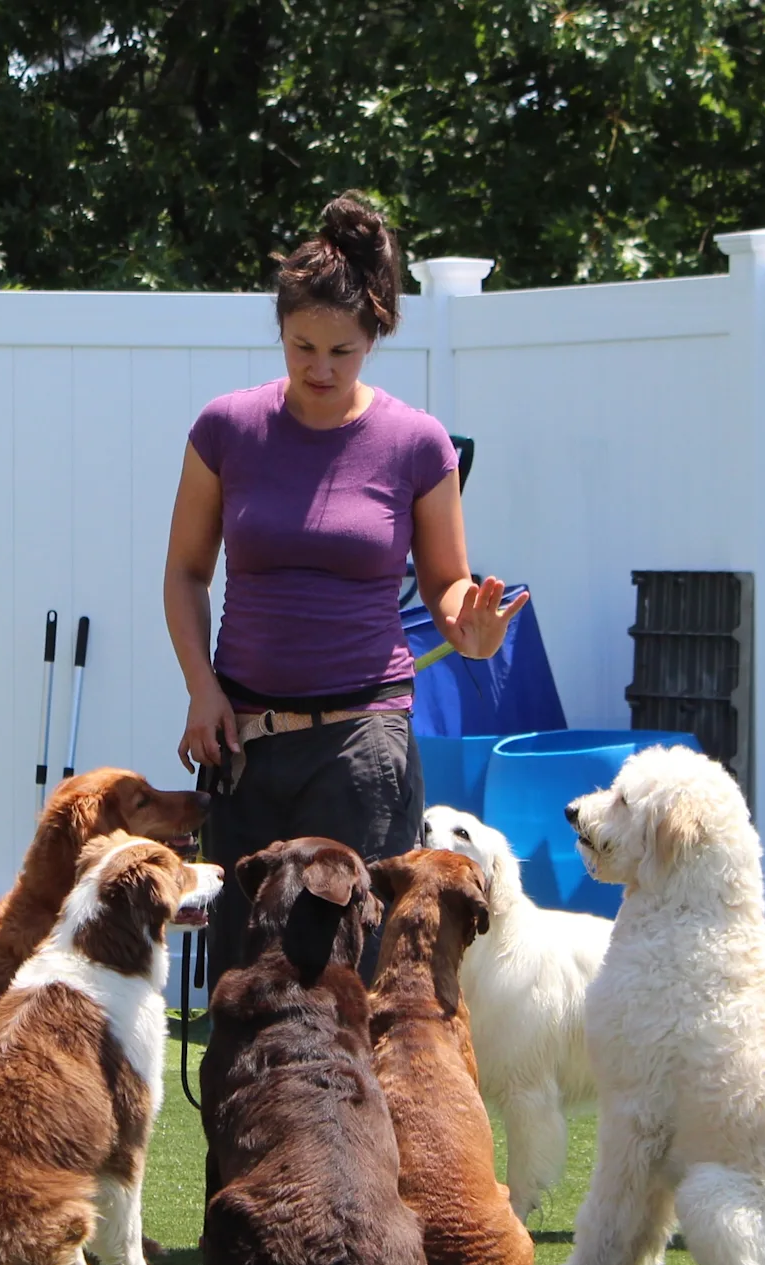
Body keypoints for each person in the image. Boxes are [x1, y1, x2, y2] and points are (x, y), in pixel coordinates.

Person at [163, 191, 528, 990]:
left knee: (345, 988)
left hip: (362, 749)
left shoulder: (417, 443)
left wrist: (470, 627)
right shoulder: (226, 429)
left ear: (375, 338)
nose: (320, 368)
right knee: (244, 986)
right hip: (245, 745)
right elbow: (186, 572)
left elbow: (448, 584)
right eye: (302, 347)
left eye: (342, 351)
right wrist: (202, 688)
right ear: (280, 333)